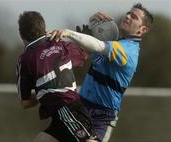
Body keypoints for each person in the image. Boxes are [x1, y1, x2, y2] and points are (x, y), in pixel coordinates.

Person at [47, 3, 154, 142]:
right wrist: (93, 25)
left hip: (101, 116)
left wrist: (69, 32)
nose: (128, 16)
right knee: (43, 139)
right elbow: (84, 50)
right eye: (128, 13)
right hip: (80, 107)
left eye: (134, 17)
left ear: (142, 29)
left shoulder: (128, 51)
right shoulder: (114, 42)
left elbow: (97, 45)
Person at [16, 11, 98, 142]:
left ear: (22, 36)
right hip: (64, 114)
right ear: (44, 29)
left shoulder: (25, 59)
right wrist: (83, 37)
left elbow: (25, 102)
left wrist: (43, 93)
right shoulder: (62, 45)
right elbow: (85, 53)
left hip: (67, 110)